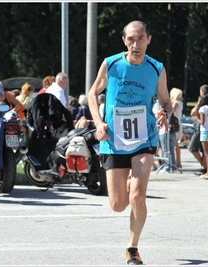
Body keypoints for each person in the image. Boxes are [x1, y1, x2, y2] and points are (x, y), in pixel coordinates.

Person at [87, 20, 172, 265]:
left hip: (144, 137)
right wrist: (98, 122)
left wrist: (162, 110)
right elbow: (93, 93)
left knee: (137, 196)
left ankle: (132, 248)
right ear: (124, 40)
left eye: (141, 38)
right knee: (117, 204)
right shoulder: (111, 64)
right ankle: (125, 184)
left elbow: (166, 101)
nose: (136, 44)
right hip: (114, 139)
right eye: (131, 39)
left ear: (149, 39)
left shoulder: (156, 68)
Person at [192, 93, 208, 178]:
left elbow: (202, 122)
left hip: (204, 131)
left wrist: (195, 118)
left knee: (207, 153)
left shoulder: (202, 108)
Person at [170, 88, 183, 169]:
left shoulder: (176, 103)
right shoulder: (179, 102)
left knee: (175, 145)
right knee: (176, 145)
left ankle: (177, 163)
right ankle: (178, 162)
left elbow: (170, 111)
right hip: (178, 123)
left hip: (175, 124)